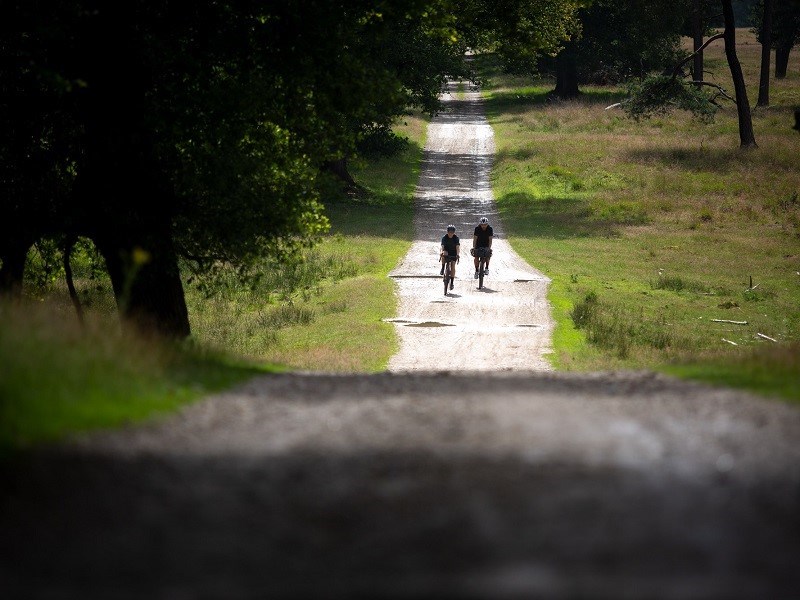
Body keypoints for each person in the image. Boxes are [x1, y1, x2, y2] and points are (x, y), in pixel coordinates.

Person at [440, 224, 460, 290]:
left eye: (452, 232)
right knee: (444, 253)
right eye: (449, 232)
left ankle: (451, 282)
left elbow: (457, 247)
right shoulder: (444, 238)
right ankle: (443, 268)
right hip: (446, 251)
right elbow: (442, 246)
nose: (451, 233)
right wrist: (441, 252)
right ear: (447, 232)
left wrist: (457, 254)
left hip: (453, 252)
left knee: (453, 266)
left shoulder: (456, 238)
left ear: (454, 232)